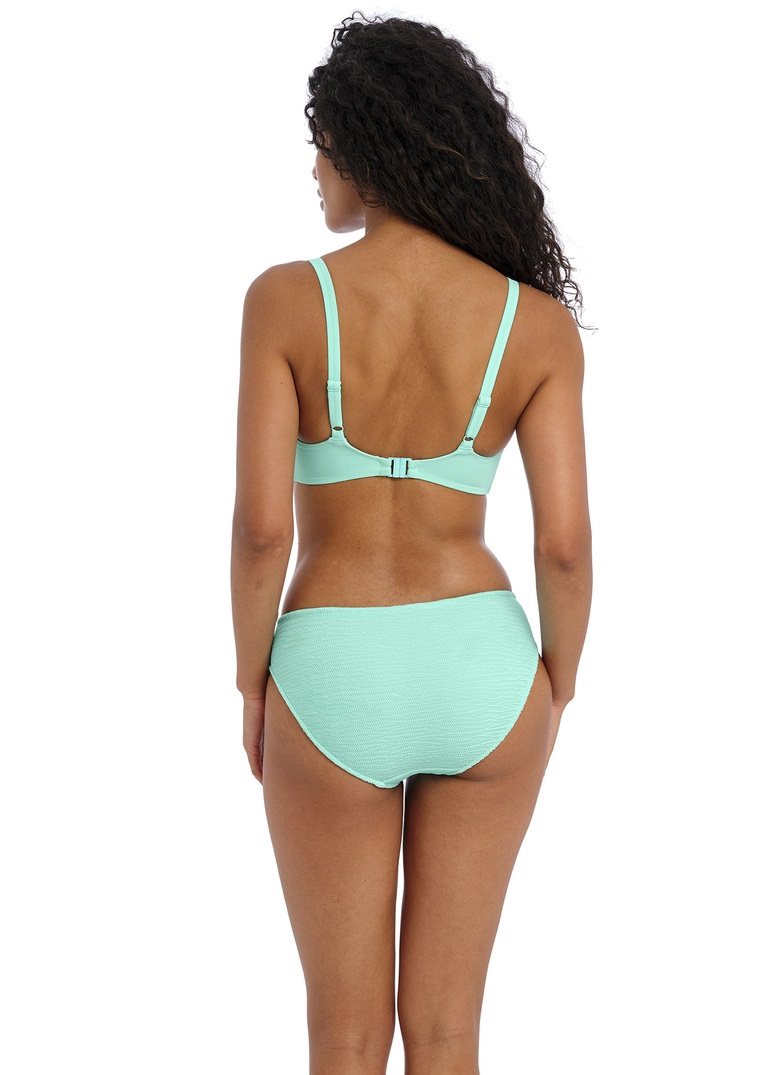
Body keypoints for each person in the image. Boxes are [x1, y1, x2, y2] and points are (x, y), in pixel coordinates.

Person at [230, 13, 592, 1075]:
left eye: (323, 146)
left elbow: (261, 529)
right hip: (484, 665)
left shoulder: (286, 301)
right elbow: (565, 545)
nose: (314, 169)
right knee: (448, 1034)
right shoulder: (533, 324)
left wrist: (251, 680)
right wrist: (557, 680)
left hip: (332, 664)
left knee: (344, 1038)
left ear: (368, 144)